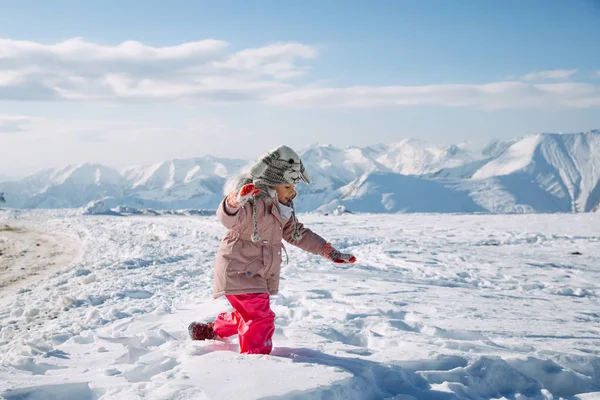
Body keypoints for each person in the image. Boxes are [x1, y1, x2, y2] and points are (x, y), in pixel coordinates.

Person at [188, 145, 356, 354]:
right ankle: (257, 363)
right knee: (259, 318)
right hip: (237, 270)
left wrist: (328, 250)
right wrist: (234, 201)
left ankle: (210, 330)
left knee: (248, 314)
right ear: (270, 186)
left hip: (257, 272)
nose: (293, 193)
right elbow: (227, 218)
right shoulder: (250, 204)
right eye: (287, 187)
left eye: (294, 187)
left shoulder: (281, 210)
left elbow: (298, 233)